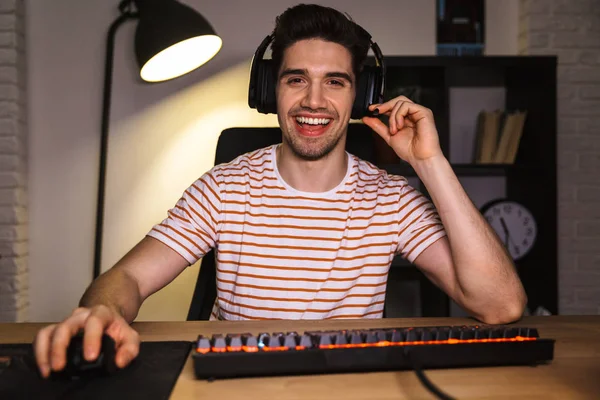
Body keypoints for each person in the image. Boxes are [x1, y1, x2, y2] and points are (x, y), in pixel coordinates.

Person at [33, 3, 527, 378]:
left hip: (346, 387)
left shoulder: (393, 199)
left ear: (363, 96)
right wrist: (102, 309)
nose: (314, 101)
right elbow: (128, 280)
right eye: (297, 80)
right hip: (237, 383)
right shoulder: (223, 189)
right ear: (271, 91)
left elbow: (500, 307)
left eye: (335, 81)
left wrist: (430, 162)